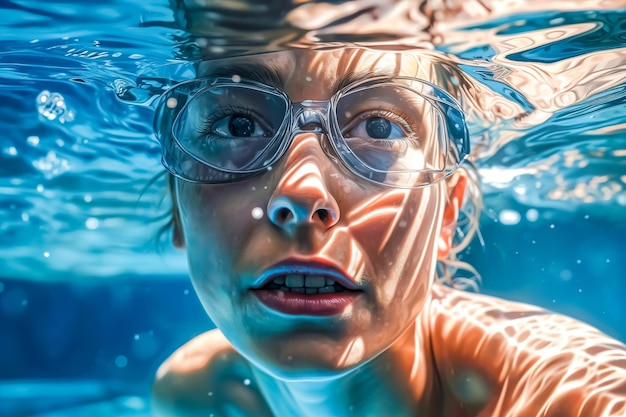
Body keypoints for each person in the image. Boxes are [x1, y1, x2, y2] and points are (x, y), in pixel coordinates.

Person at [150, 47, 626, 417]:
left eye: (380, 128)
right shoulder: (196, 396)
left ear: (447, 214)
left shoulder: (576, 398)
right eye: (238, 125)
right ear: (177, 206)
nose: (300, 193)